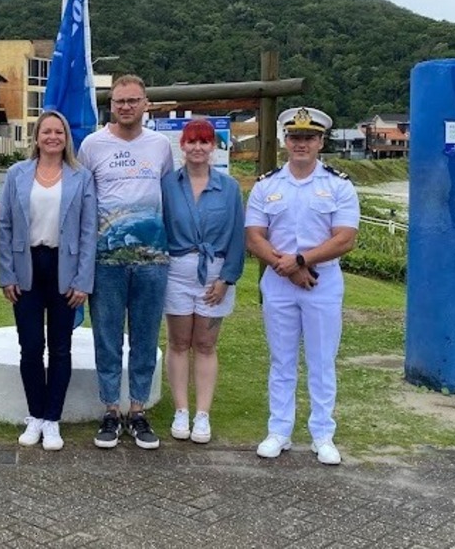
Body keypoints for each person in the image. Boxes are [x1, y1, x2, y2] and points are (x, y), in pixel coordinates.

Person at [245, 106, 360, 466]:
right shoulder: (267, 185)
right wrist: (289, 267)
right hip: (279, 283)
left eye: (309, 137)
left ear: (321, 141)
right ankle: (279, 430)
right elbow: (254, 236)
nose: (301, 144)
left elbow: (345, 239)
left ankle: (322, 434)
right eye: (295, 137)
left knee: (321, 361)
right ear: (285, 140)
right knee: (281, 361)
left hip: (322, 283)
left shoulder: (338, 186)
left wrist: (301, 262)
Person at [77, 74, 173, 450]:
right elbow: (84, 200)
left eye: (133, 100)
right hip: (106, 261)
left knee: (146, 339)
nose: (126, 107)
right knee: (107, 338)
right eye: (120, 101)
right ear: (111, 104)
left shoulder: (161, 147)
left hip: (153, 260)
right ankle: (110, 410)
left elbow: (167, 194)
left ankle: (138, 410)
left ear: (146, 104)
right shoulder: (92, 146)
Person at [0, 110, 97, 451]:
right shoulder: (17, 174)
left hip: (64, 269)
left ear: (66, 137)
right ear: (36, 137)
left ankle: (53, 418)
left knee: (60, 348)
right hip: (27, 268)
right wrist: (6, 273)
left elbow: (87, 232)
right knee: (30, 347)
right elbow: (6, 226)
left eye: (59, 131)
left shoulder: (80, 177)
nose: (52, 137)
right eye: (46, 131)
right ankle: (35, 415)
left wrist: (83, 280)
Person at [161, 119, 245, 444]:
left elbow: (238, 235)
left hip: (214, 271)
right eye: (192, 141)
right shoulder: (168, 185)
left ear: (214, 146)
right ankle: (181, 409)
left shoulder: (229, 188)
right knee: (179, 343)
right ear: (182, 145)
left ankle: (202, 413)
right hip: (176, 271)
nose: (198, 148)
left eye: (205, 142)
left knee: (206, 344)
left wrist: (227, 279)